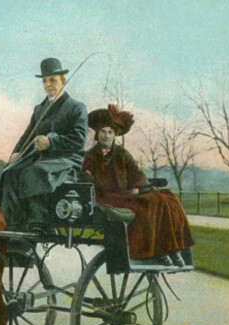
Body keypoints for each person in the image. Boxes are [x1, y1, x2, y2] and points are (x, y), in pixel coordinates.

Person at [82, 105, 194, 265]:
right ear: (97, 135)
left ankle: (171, 248)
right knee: (148, 204)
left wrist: (136, 186)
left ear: (114, 135)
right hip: (107, 197)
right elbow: (84, 176)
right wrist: (88, 177)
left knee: (165, 198)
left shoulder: (121, 153)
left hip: (125, 194)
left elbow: (136, 172)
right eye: (103, 132)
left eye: (110, 132)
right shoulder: (92, 156)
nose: (106, 136)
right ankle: (155, 252)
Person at [0, 57, 87, 232]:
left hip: (67, 160)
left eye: (52, 80)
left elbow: (79, 140)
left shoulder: (76, 107)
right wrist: (16, 152)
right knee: (9, 173)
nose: (48, 85)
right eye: (45, 81)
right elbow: (27, 135)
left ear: (63, 81)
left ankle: (38, 221)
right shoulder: (39, 109)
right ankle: (12, 223)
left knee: (33, 171)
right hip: (42, 158)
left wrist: (51, 141)